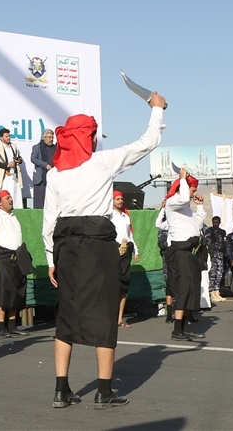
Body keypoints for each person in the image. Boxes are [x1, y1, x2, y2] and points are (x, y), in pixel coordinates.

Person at [42, 92, 165, 410]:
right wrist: (156, 110)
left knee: (66, 317)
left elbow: (48, 222)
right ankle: (104, 391)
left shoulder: (54, 173)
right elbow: (147, 143)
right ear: (89, 137)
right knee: (104, 315)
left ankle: (61, 390)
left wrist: (50, 259)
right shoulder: (101, 162)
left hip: (66, 245)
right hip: (97, 245)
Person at [163, 170, 208, 340]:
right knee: (183, 289)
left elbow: (197, 225)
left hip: (190, 253)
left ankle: (186, 327)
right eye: (193, 190)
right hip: (180, 253)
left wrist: (200, 206)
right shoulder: (172, 202)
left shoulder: (186, 209)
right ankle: (177, 330)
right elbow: (182, 198)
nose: (194, 193)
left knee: (191, 289)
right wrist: (183, 179)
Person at [0, 190, 30, 338]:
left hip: (16, 257)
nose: (11, 200)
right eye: (7, 198)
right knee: (2, 291)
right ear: (0, 202)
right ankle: (1, 327)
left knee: (17, 290)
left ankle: (12, 326)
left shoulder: (14, 217)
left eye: (11, 197)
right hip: (2, 257)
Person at [111, 190, 140, 328]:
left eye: (121, 199)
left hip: (126, 250)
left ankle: (119, 318)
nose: (120, 201)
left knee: (123, 285)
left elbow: (130, 235)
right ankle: (110, 318)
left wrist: (136, 251)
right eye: (117, 199)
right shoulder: (109, 215)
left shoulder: (126, 216)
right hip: (113, 251)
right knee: (112, 285)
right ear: (112, 201)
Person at [0, 129, 24, 209]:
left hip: (14, 175)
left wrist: (19, 160)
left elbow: (19, 158)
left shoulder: (14, 146)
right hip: (5, 176)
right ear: (1, 138)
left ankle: (18, 211)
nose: (8, 138)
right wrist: (7, 165)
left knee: (16, 194)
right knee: (5, 194)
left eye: (9, 136)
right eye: (6, 136)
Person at [30, 129, 56, 209]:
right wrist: (45, 165)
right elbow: (33, 159)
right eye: (49, 137)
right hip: (41, 177)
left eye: (52, 137)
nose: (51, 139)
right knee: (40, 201)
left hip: (52, 177)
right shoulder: (37, 147)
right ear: (44, 137)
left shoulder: (55, 148)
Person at [205, 217, 227, 304]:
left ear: (219, 222)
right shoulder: (209, 231)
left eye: (216, 222)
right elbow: (207, 242)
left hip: (220, 255)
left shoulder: (222, 232)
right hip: (213, 255)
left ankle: (217, 291)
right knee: (213, 274)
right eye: (213, 222)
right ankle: (212, 292)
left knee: (219, 274)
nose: (215, 224)